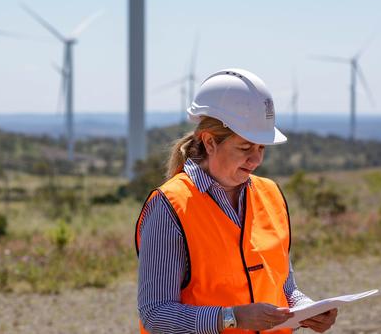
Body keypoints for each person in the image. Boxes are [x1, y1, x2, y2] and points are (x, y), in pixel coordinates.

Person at [135, 69, 338, 333]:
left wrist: (308, 310)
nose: (256, 160)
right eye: (245, 148)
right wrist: (232, 318)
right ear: (209, 142)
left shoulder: (272, 195)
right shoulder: (170, 206)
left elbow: (285, 288)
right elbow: (156, 314)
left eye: (261, 148)